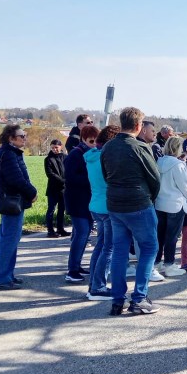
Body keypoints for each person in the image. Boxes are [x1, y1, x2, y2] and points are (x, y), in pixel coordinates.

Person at [101, 107, 161, 316]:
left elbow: (105, 174)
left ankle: (118, 300)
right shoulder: (140, 147)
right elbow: (155, 178)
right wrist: (149, 198)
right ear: (138, 126)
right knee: (148, 248)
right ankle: (139, 298)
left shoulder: (108, 147)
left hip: (115, 204)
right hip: (138, 203)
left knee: (119, 252)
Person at [0, 124, 37, 289]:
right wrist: (32, 192)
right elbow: (16, 180)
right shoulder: (8, 154)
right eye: (21, 136)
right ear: (11, 138)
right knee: (9, 240)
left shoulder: (8, 153)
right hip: (11, 202)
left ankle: (5, 274)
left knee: (6, 239)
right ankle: (2, 277)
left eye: (25, 135)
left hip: (12, 201)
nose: (24, 138)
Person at [85, 124, 120, 301]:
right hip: (107, 207)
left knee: (100, 246)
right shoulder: (105, 158)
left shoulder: (91, 156)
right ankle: (98, 287)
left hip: (96, 205)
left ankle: (93, 283)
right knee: (108, 248)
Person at [154, 136, 187, 277]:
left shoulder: (159, 161)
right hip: (175, 204)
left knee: (160, 235)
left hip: (160, 202)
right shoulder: (178, 164)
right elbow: (184, 185)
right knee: (172, 236)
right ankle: (169, 265)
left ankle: (158, 262)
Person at [64, 124, 98, 283]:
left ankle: (76, 266)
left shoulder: (90, 152)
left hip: (87, 201)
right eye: (91, 141)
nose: (94, 144)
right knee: (81, 233)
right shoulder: (75, 154)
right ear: (84, 139)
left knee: (84, 234)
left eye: (96, 141)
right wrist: (91, 180)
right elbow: (70, 178)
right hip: (76, 200)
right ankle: (71, 270)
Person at [43, 139, 68, 238]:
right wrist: (63, 181)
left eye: (56, 147)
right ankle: (50, 231)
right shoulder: (48, 159)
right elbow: (50, 174)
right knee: (51, 210)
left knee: (61, 210)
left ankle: (60, 229)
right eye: (52, 148)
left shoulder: (66, 157)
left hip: (63, 189)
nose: (54, 149)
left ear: (61, 147)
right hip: (53, 189)